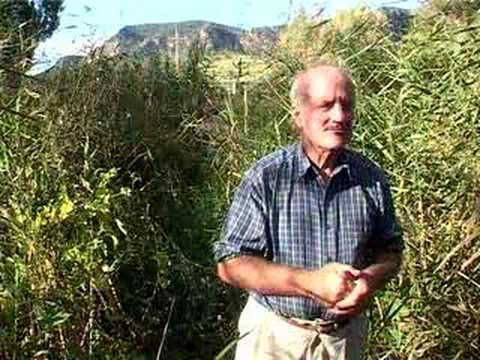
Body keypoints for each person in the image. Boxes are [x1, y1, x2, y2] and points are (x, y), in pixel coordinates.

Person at [214, 64, 403, 360]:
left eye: (346, 106)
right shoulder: (267, 177)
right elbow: (230, 264)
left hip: (344, 340)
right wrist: (310, 283)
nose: (339, 116)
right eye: (325, 105)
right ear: (298, 117)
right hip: (274, 338)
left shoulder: (371, 178)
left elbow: (391, 252)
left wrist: (369, 280)